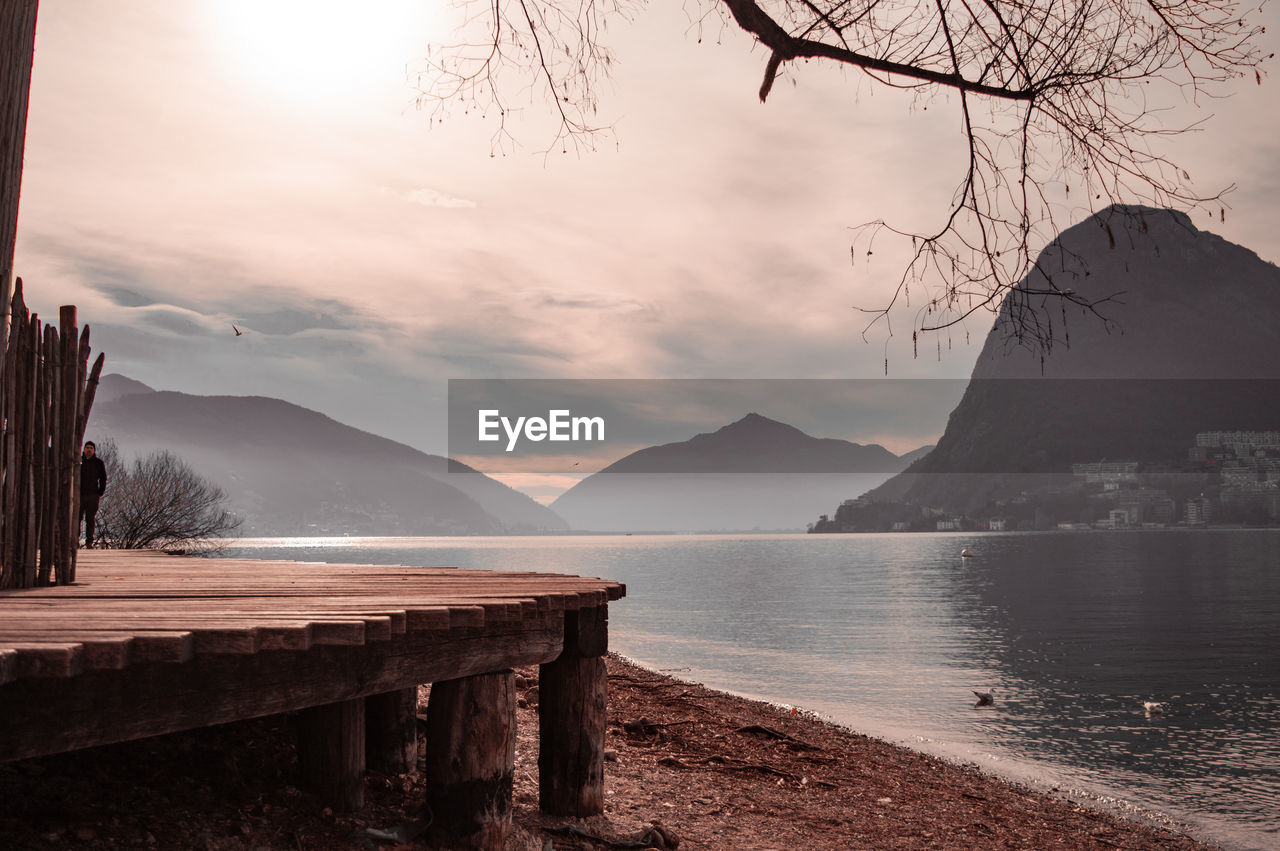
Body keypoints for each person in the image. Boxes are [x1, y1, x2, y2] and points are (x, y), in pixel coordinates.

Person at [80, 441, 108, 548]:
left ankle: (89, 542)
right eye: (87, 447)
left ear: (94, 450)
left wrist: (100, 492)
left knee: (90, 519)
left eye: (91, 448)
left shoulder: (98, 463)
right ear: (84, 449)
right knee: (77, 519)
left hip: (93, 495)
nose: (88, 450)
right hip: (79, 494)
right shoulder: (79, 461)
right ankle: (75, 541)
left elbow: (103, 478)